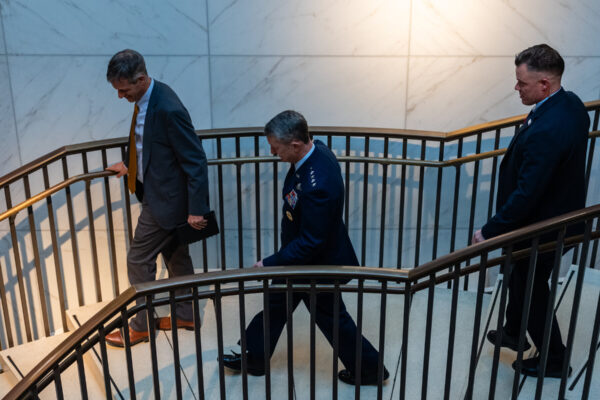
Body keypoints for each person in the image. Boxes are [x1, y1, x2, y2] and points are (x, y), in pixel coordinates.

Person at [221, 110, 389, 385]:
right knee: (277, 303)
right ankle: (255, 357)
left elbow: (312, 241)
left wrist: (270, 263)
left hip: (315, 264)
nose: (273, 153)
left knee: (331, 318)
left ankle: (370, 369)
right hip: (300, 258)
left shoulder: (316, 185)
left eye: (276, 148)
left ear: (296, 144)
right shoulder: (317, 150)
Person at [472, 44, 589, 378]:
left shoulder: (548, 130)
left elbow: (527, 193)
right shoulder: (571, 104)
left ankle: (554, 360)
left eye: (522, 83)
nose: (516, 88)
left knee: (531, 290)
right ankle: (513, 331)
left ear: (544, 85)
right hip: (555, 214)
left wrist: (490, 231)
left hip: (541, 227)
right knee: (519, 275)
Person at [103, 49, 210, 347]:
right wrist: (130, 166)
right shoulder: (148, 98)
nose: (120, 96)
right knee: (176, 256)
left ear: (140, 79)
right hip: (159, 192)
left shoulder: (168, 108)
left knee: (138, 260)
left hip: (166, 200)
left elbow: (195, 160)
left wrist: (197, 209)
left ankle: (140, 326)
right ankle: (187, 314)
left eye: (124, 90)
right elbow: (147, 142)